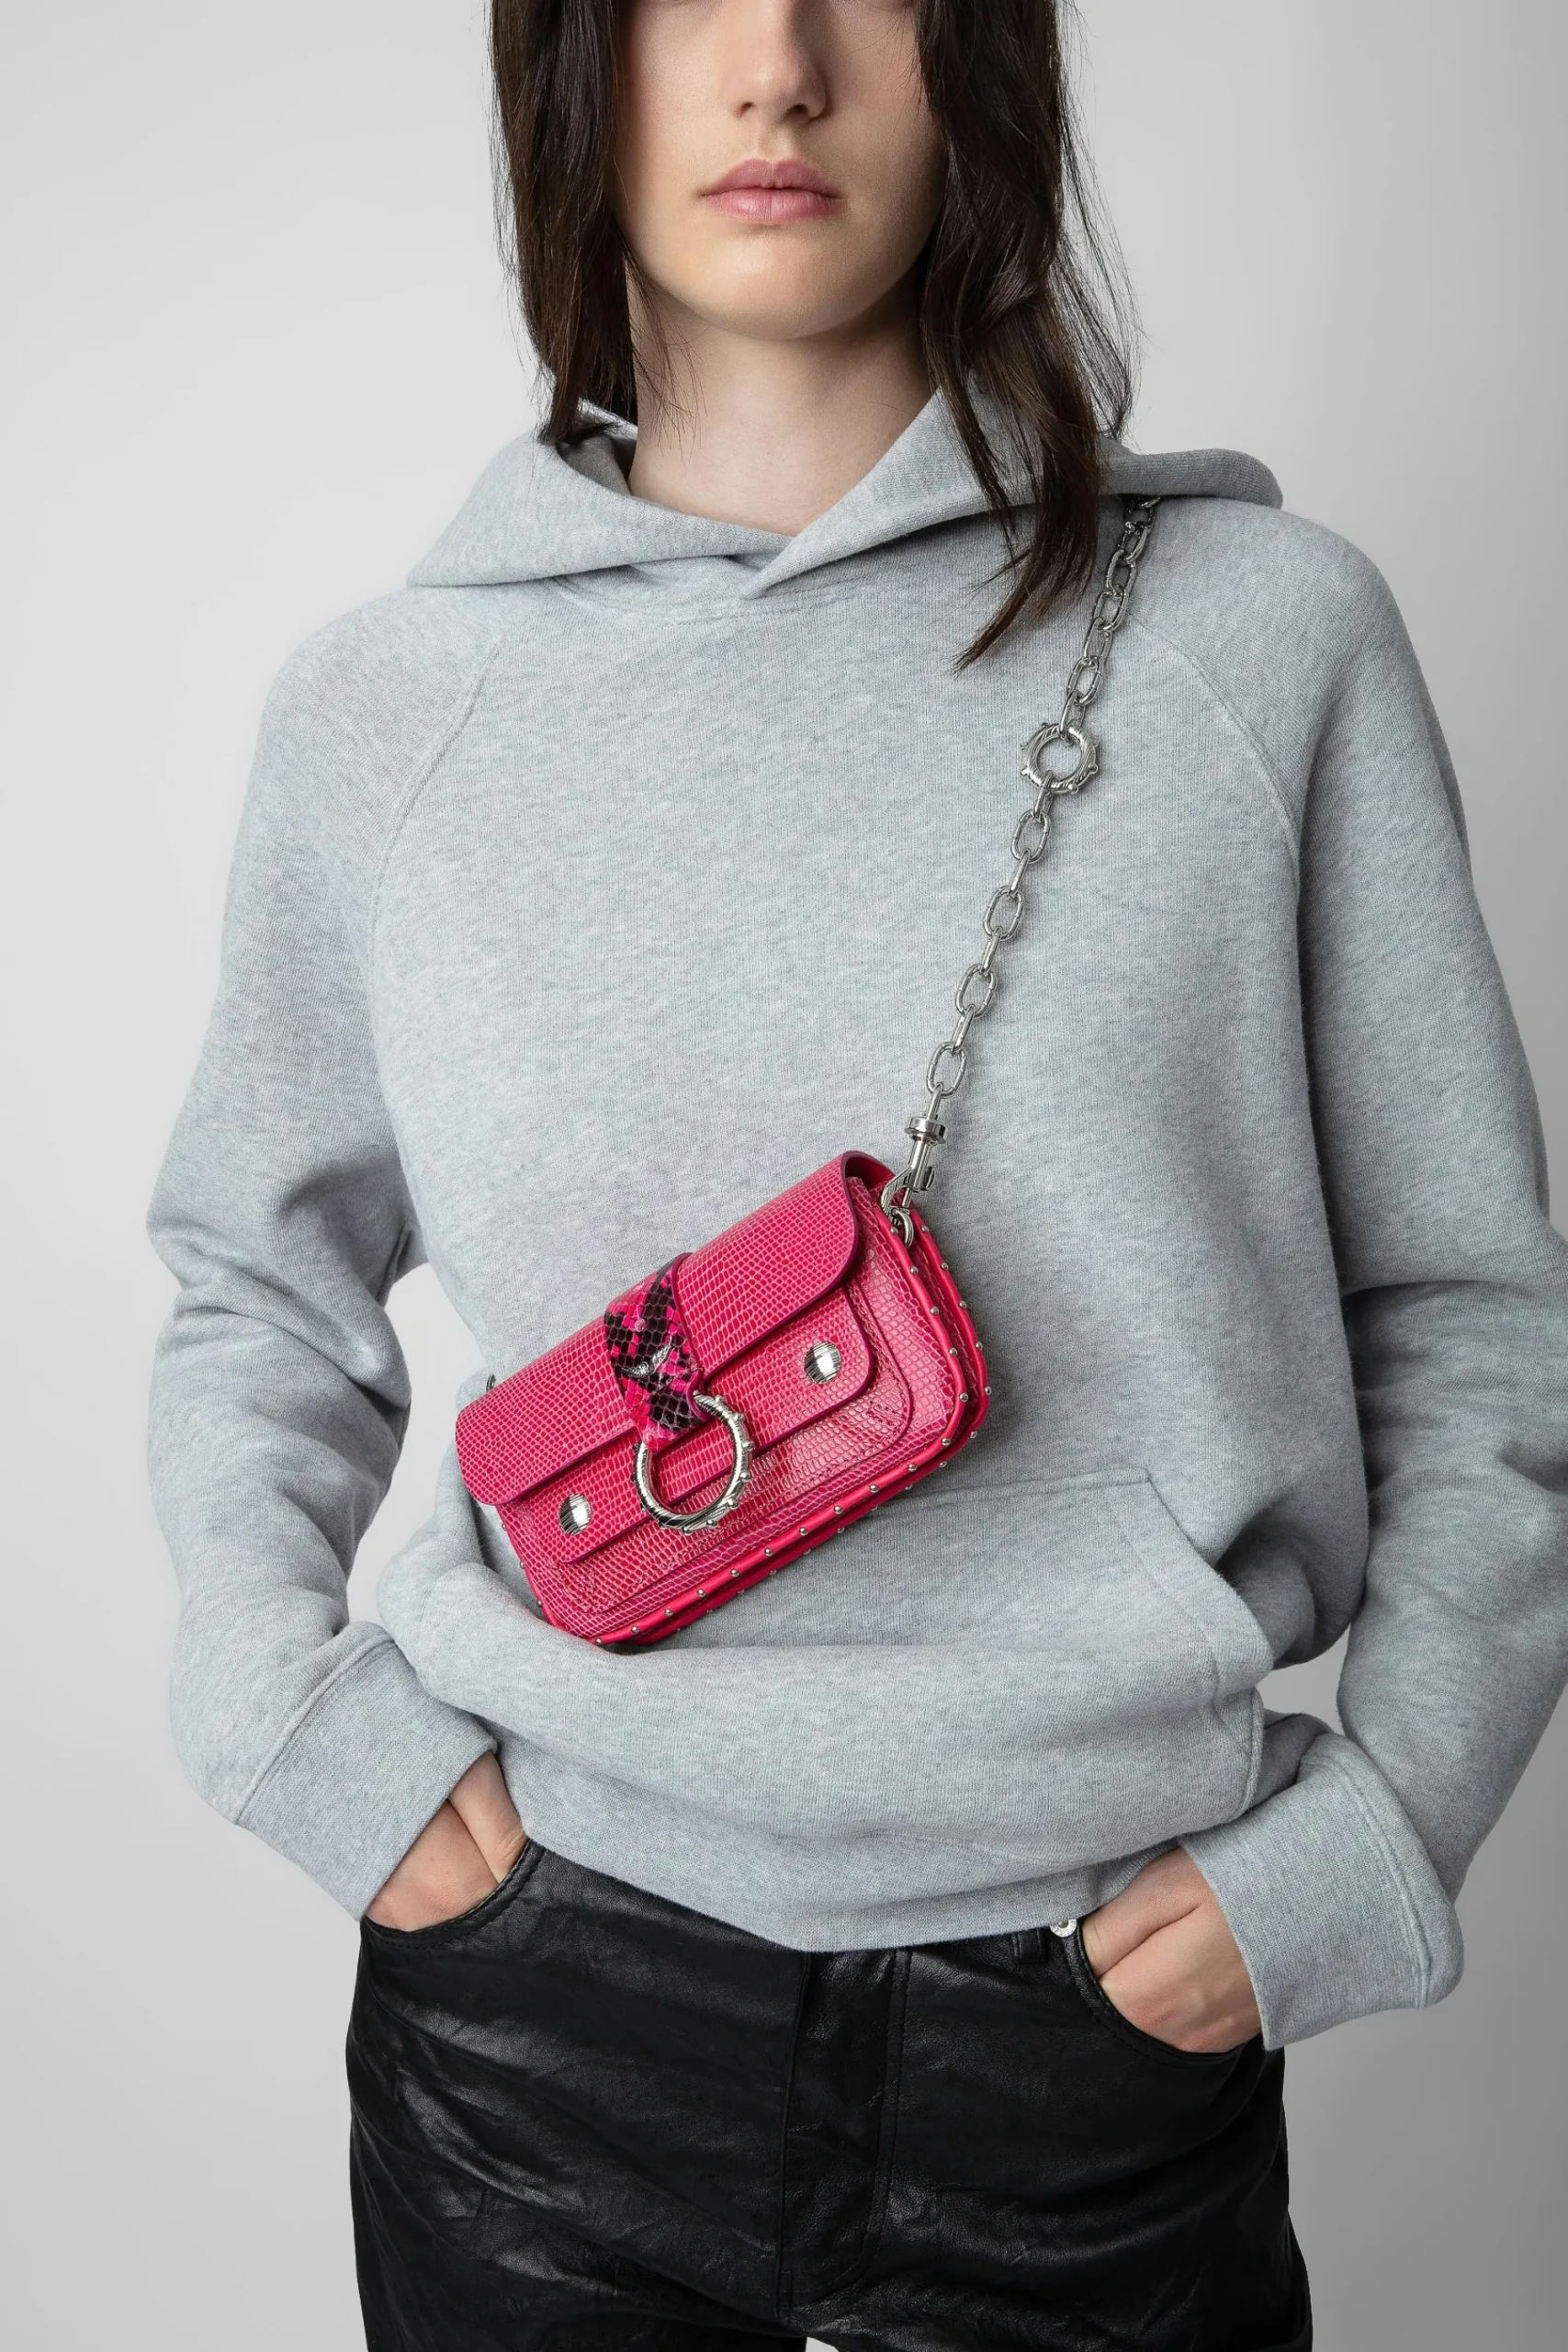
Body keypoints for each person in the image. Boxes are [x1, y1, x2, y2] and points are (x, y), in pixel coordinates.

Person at [145, 3, 1568, 2347]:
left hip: (1104, 2018)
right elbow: (253, 1285)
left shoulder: (1262, 638)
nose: (777, 65)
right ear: (569, 69)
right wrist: (293, 1724)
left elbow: (1472, 1313)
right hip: (532, 2013)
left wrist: (1383, 1820)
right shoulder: (386, 708)